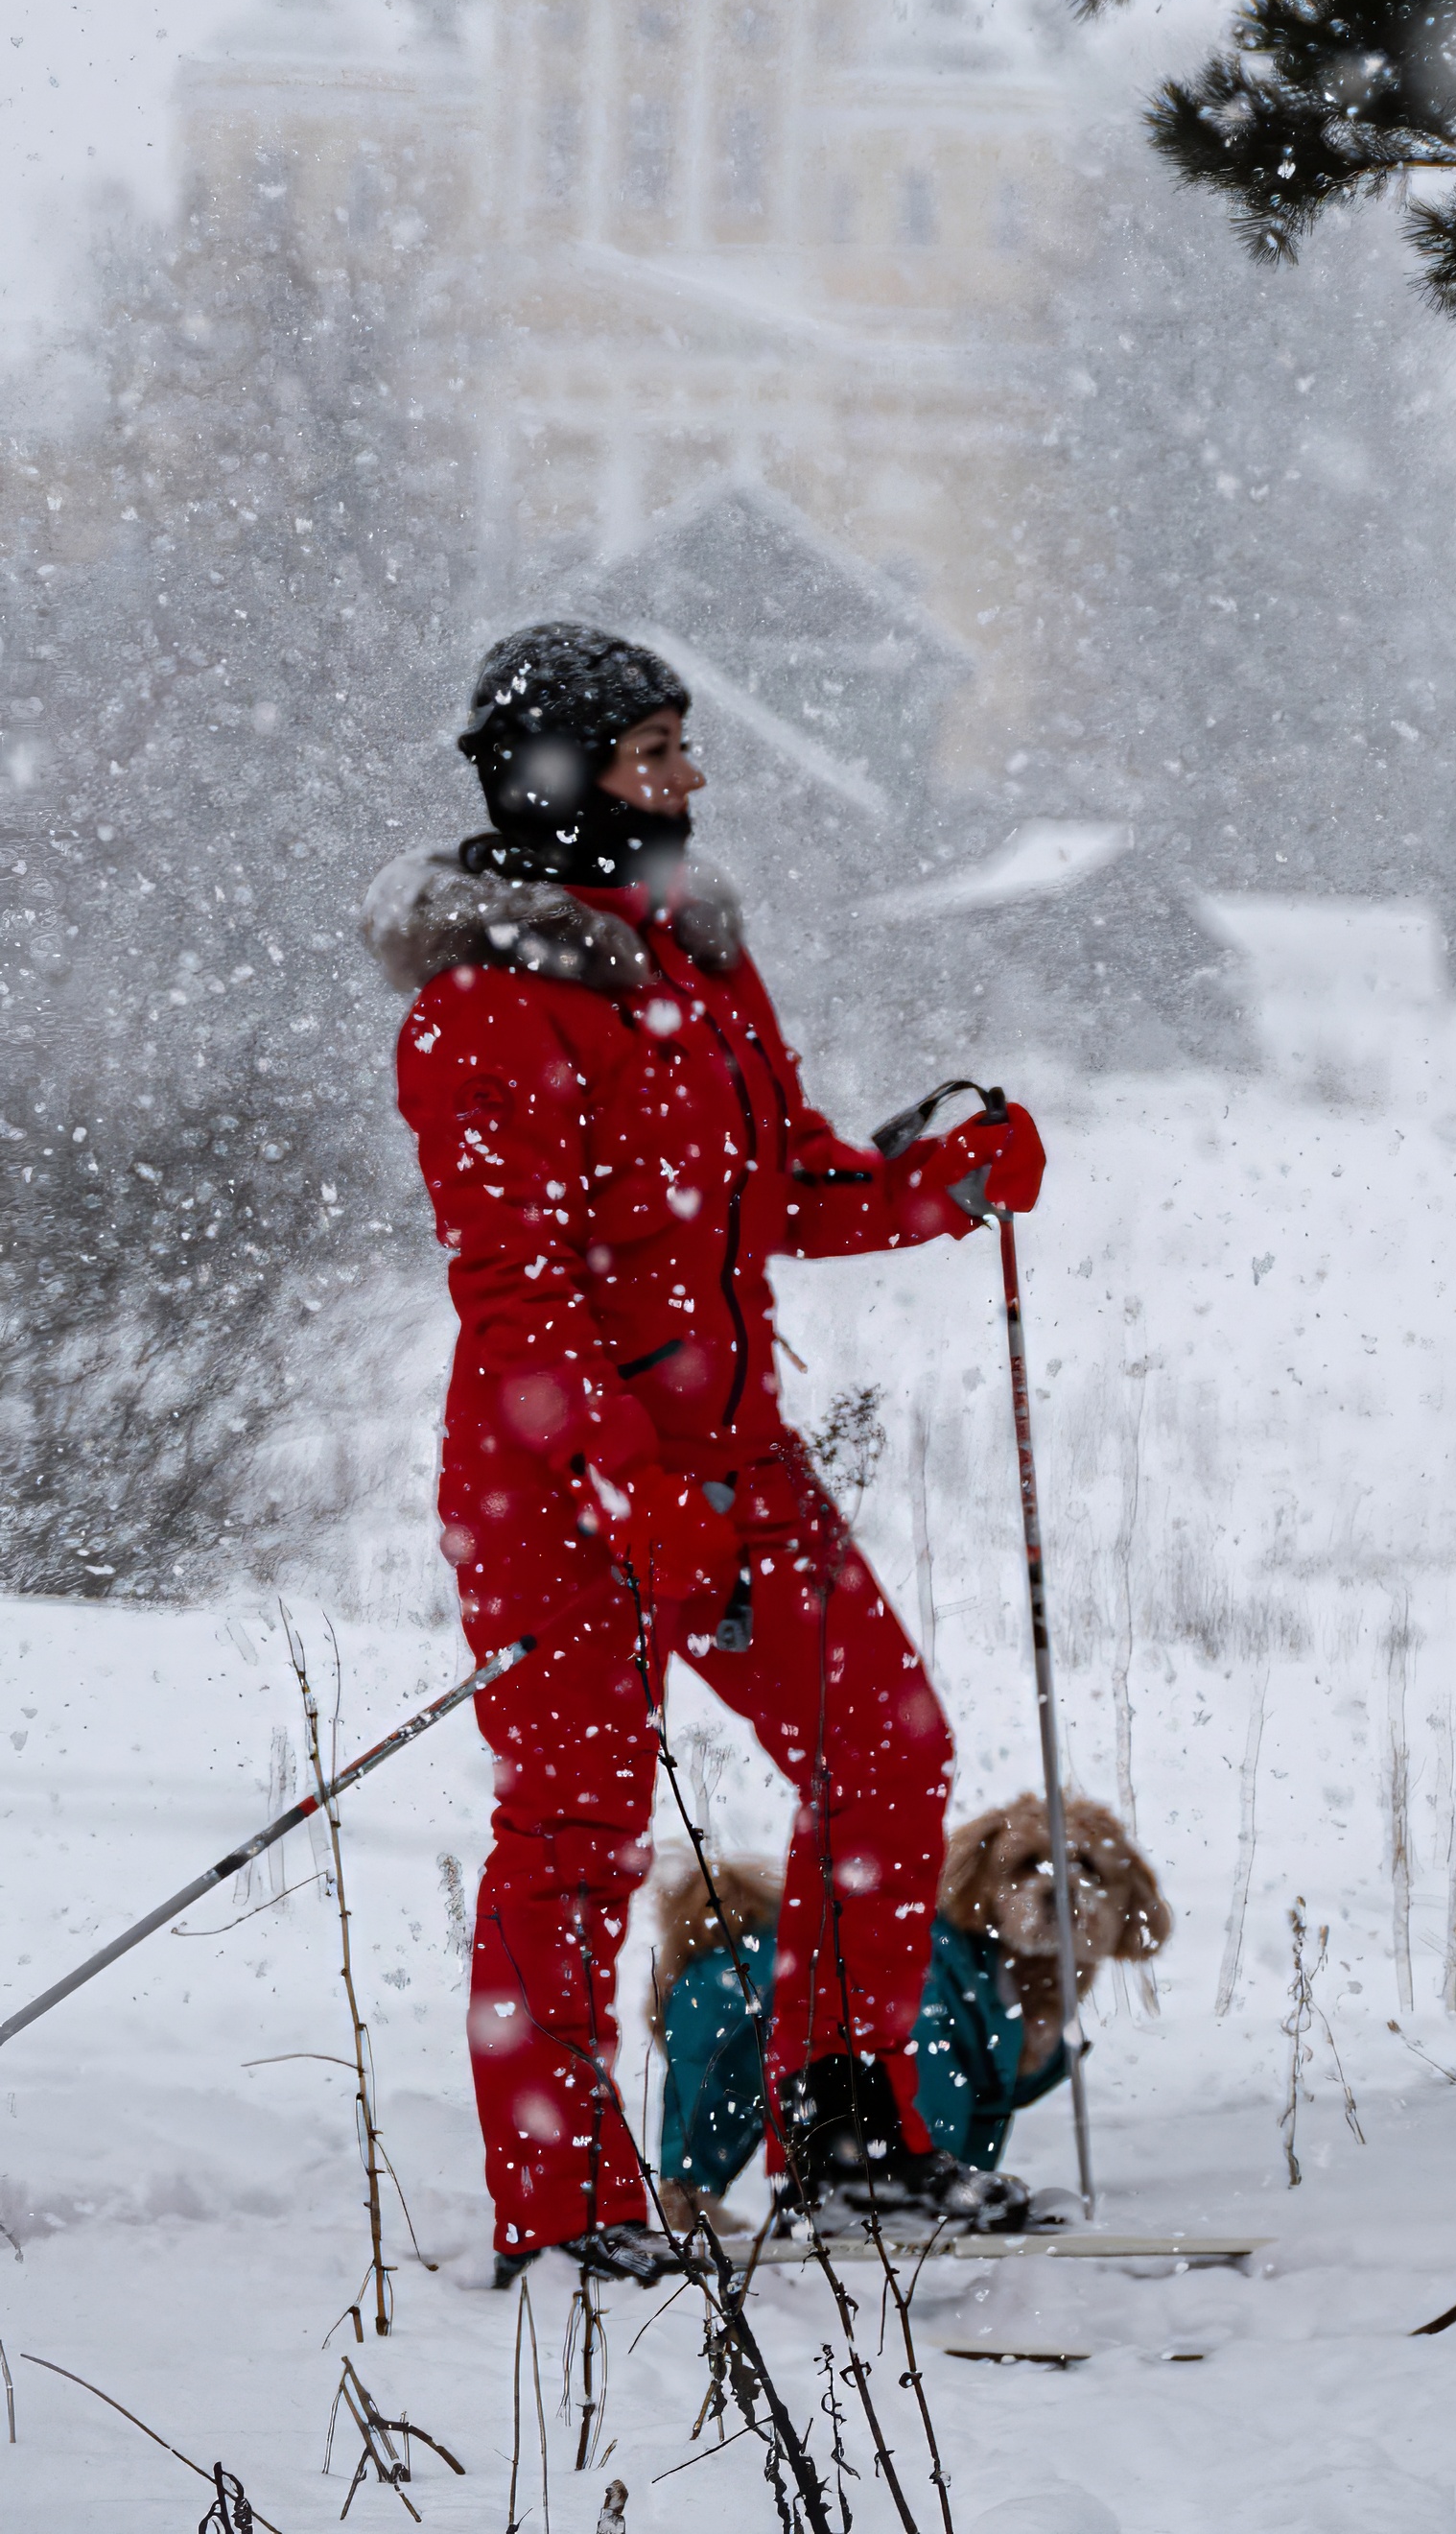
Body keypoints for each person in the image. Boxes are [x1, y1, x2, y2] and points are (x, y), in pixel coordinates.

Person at [362, 623, 1045, 2285]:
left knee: (886, 1751)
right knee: (578, 1833)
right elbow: (522, 1308)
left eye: (683, 746)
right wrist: (637, 1493)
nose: (688, 778)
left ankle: (848, 2130)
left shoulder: (699, 957)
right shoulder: (481, 1010)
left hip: (734, 1464)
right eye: (653, 751)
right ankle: (568, 2204)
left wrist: (945, 1186)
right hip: (556, 1490)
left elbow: (790, 1189)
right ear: (553, 777)